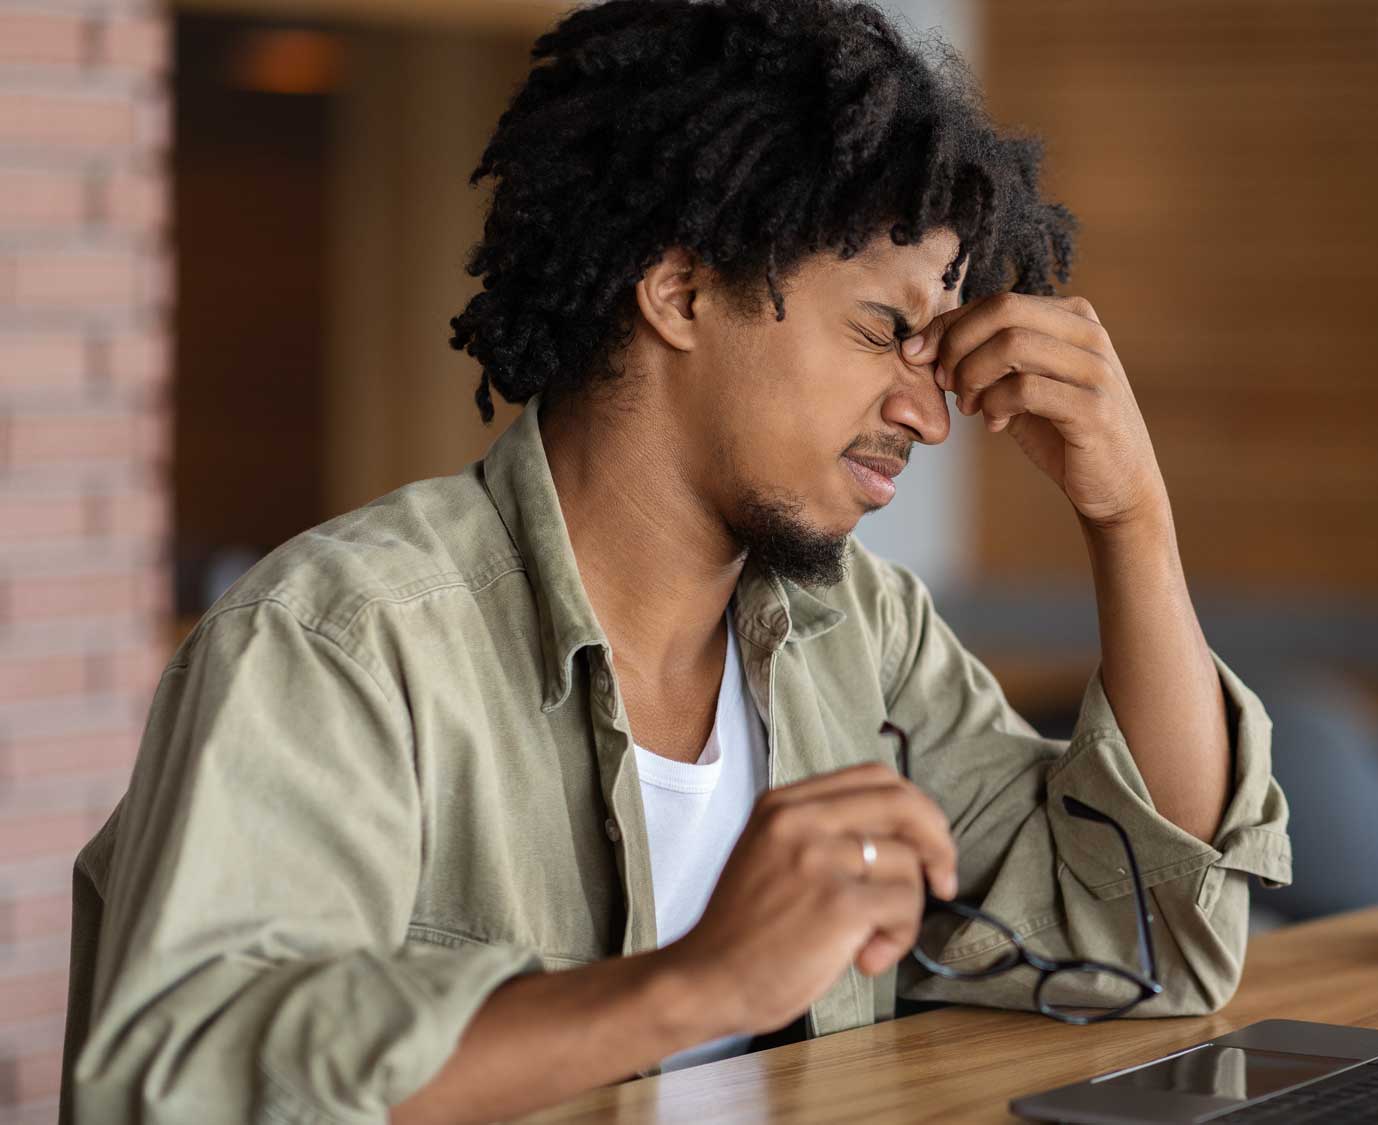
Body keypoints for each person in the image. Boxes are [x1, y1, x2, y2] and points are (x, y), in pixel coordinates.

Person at [60, 2, 1292, 1121]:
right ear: (680, 291)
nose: (928, 411)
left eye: (941, 346)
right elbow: (184, 1086)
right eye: (884, 330)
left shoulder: (859, 635)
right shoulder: (341, 641)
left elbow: (1134, 938)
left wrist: (1128, 514)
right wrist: (695, 984)